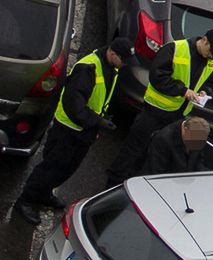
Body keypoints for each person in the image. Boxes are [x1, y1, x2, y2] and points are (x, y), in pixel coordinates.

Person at [14, 38, 135, 225]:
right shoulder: (88, 69)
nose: (124, 65)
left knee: (66, 169)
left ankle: (43, 194)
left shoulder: (111, 67)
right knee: (51, 168)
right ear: (112, 53)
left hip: (83, 130)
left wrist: (98, 122)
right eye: (123, 60)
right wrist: (98, 122)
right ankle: (26, 201)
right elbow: (74, 106)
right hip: (68, 130)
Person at [105, 28, 213, 188]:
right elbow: (157, 77)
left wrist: (206, 91)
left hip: (177, 115)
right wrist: (183, 91)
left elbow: (211, 83)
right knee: (132, 150)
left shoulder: (211, 60)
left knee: (153, 154)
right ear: (204, 40)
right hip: (154, 111)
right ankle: (110, 187)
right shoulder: (175, 49)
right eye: (211, 50)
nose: (212, 56)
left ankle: (132, 187)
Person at [141, 116, 211, 176]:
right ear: (185, 130)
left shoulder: (198, 134)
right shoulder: (163, 140)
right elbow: (157, 171)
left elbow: (198, 162)